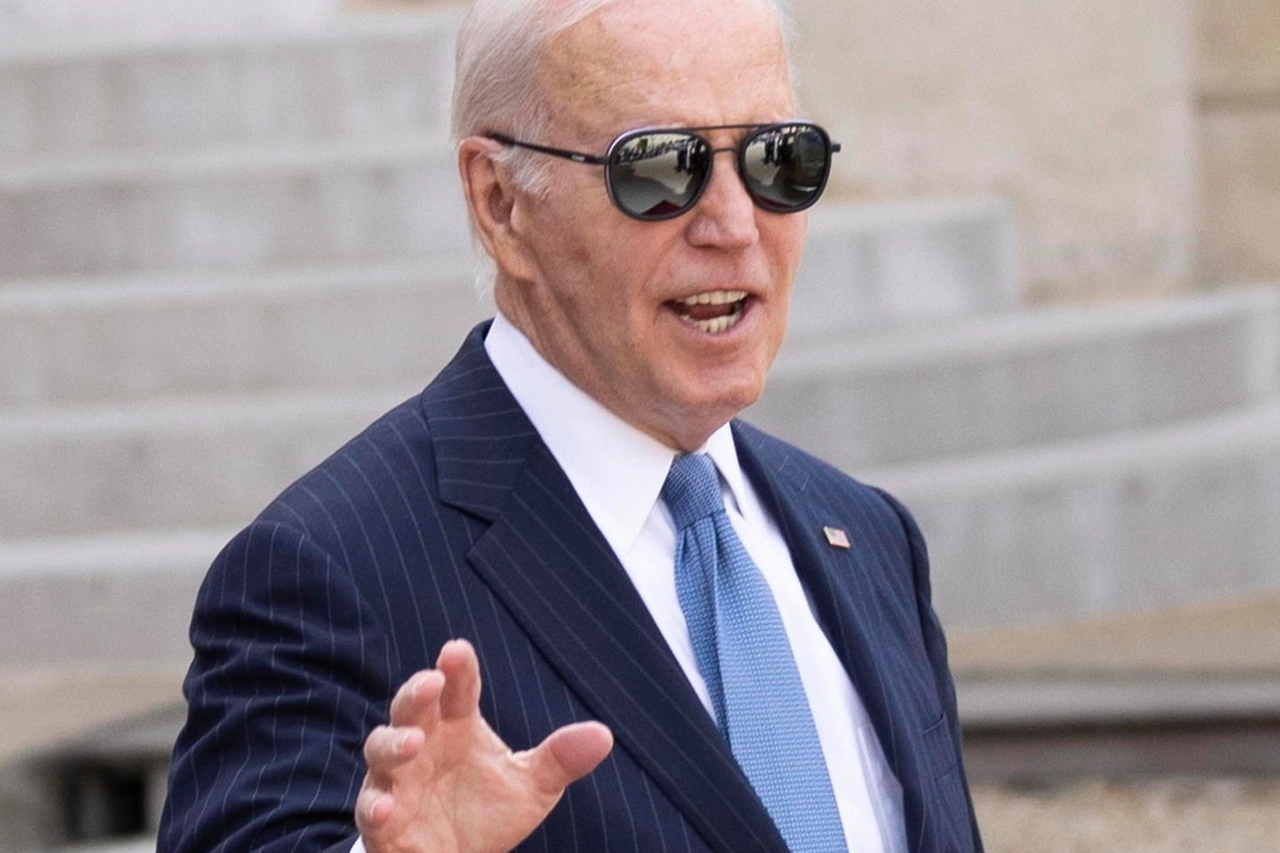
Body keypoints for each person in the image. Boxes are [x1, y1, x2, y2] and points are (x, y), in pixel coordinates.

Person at [158, 0, 983, 850]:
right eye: (662, 168)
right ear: (502, 202)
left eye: (779, 158)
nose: (735, 226)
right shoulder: (329, 571)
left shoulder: (868, 536)